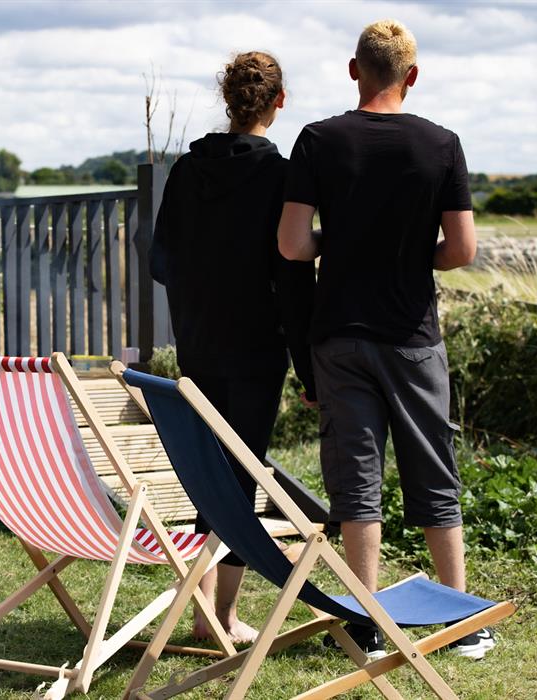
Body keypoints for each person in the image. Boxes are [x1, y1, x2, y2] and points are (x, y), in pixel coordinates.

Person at [278, 19, 493, 660]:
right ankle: (460, 623)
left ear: (354, 70)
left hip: (338, 333)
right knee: (434, 472)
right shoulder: (442, 145)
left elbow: (291, 245)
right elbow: (461, 250)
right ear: (413, 75)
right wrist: (406, 254)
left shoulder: (317, 140)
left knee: (356, 483)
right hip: (411, 335)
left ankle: (366, 623)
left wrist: (338, 245)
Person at [150, 51, 316, 645]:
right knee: (240, 476)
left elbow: (158, 262)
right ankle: (217, 615)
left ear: (228, 99)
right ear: (279, 101)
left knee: (205, 473)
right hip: (255, 347)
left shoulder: (188, 170)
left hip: (197, 340)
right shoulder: (281, 175)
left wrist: (203, 289)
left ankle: (204, 610)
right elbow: (294, 279)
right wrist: (312, 374)